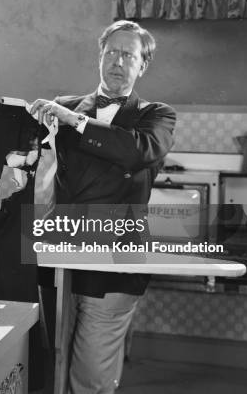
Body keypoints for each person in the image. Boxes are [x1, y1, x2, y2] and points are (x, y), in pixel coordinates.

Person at [29, 20, 176, 393]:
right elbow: (22, 153)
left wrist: (76, 123)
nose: (117, 60)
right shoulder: (62, 106)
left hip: (115, 260)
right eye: (111, 51)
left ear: (142, 65)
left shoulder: (157, 116)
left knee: (92, 376)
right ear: (100, 57)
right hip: (59, 250)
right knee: (46, 364)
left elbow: (135, 151)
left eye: (128, 54)